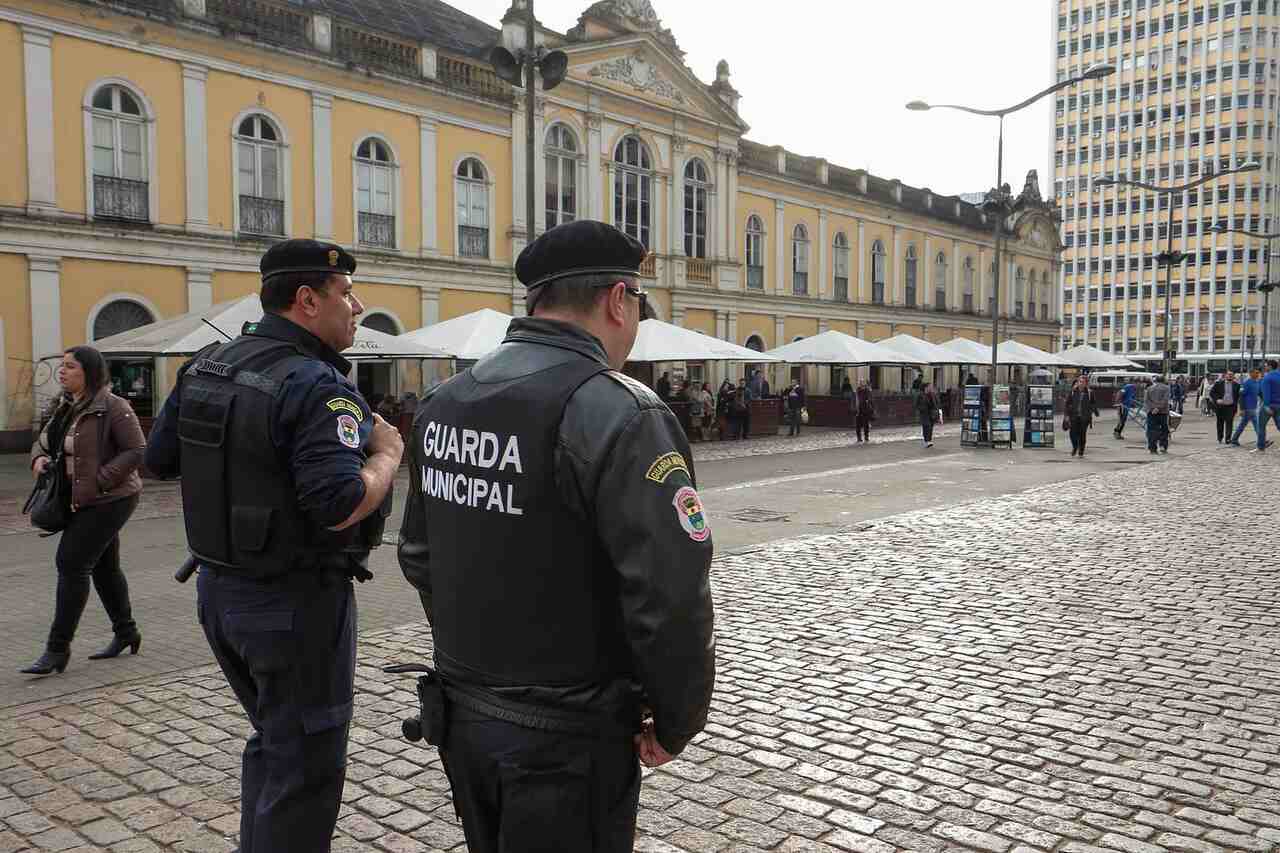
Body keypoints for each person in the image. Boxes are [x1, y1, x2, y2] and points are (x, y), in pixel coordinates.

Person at [397, 220, 714, 853]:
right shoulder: (623, 411)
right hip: (569, 738)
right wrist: (678, 721)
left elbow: (420, 556)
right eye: (640, 308)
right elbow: (667, 595)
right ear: (618, 300)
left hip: (466, 719)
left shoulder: (445, 402)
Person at [144, 239, 404, 853]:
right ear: (307, 300)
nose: (357, 306)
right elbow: (339, 502)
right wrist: (389, 455)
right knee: (305, 769)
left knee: (274, 742)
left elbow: (159, 461)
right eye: (346, 294)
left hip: (218, 593)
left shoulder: (208, 362)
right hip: (294, 603)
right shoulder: (317, 386)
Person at [21, 346, 146, 676]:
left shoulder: (114, 407)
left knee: (71, 563)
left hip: (111, 499)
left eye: (70, 367)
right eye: (62, 366)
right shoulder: (63, 406)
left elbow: (136, 449)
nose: (62, 372)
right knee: (104, 567)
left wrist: (102, 480)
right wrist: (38, 459)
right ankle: (126, 632)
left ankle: (56, 650)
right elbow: (42, 441)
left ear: (89, 372)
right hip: (76, 498)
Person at [1065, 375, 1101, 458]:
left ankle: (1081, 450)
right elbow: (1067, 404)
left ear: (1086, 384)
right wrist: (1066, 415)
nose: (1081, 383)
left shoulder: (1089, 392)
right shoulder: (1073, 391)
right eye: (1080, 382)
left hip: (1084, 418)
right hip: (1074, 416)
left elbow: (1093, 403)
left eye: (1083, 382)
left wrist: (1094, 412)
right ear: (1077, 382)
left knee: (1082, 434)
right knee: (1072, 433)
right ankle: (1075, 447)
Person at [1229, 367, 1263, 447]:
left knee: (1242, 424)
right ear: (1251, 374)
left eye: (1258, 373)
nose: (1258, 374)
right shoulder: (1247, 383)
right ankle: (1262, 440)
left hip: (1253, 407)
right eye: (1256, 373)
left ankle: (1234, 439)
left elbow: (1259, 393)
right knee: (1256, 424)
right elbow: (1241, 396)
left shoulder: (1257, 383)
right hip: (1247, 407)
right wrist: (1241, 409)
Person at [1209, 370, 1241, 444]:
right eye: (1229, 374)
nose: (1230, 376)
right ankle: (1220, 437)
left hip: (1231, 407)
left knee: (1229, 422)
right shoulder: (1219, 384)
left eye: (1231, 375)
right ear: (1225, 375)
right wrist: (1217, 399)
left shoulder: (1237, 385)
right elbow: (1212, 393)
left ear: (1233, 376)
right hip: (1220, 406)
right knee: (1220, 423)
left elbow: (1239, 396)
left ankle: (1228, 439)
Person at [1257, 359, 1280, 452]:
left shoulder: (1267, 378)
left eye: (1266, 365)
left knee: (1261, 426)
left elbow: (1266, 393)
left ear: (1270, 366)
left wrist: (1266, 405)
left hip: (1269, 405)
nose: (1265, 367)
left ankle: (1261, 446)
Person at [1146, 374, 1171, 454]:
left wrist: (1153, 408)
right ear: (1164, 381)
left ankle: (1152, 448)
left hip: (1151, 412)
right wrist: (1158, 408)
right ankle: (1163, 446)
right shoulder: (1166, 388)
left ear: (1155, 380)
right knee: (1164, 429)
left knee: (1151, 430)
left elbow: (1147, 401)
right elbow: (1165, 400)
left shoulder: (1149, 388)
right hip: (1162, 412)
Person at [916, 381, 940, 448]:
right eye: (930, 386)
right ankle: (926, 441)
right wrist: (921, 409)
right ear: (926, 387)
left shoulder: (932, 394)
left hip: (931, 413)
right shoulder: (920, 395)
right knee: (927, 426)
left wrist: (936, 409)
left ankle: (929, 440)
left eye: (931, 387)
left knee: (930, 427)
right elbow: (917, 404)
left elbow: (936, 403)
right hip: (924, 413)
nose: (931, 388)